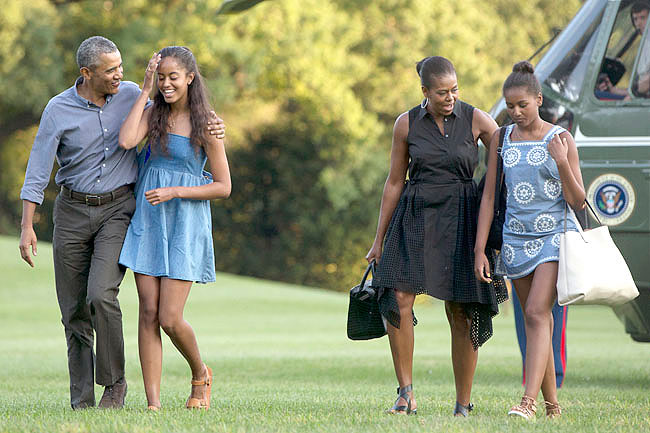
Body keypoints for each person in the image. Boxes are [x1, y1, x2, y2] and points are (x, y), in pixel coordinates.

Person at [18, 36, 225, 410]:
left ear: (191, 77)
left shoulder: (157, 103)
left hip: (141, 213)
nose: (120, 75)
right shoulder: (76, 107)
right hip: (100, 213)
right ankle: (115, 402)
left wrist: (178, 187)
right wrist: (27, 224)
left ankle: (152, 381)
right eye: (110, 70)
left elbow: (220, 179)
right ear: (87, 73)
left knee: (129, 303)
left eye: (120, 67)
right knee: (99, 310)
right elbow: (44, 166)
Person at [366, 56, 507, 417]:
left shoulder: (478, 119)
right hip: (415, 215)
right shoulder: (406, 124)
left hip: (462, 217)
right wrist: (379, 239)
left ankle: (463, 404)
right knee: (398, 297)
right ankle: (406, 394)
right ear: (424, 91)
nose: (450, 97)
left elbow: (508, 155)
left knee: (462, 310)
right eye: (442, 92)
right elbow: (395, 181)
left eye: (455, 90)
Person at [117, 46, 231, 411]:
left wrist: (177, 191)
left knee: (169, 317)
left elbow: (224, 186)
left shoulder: (207, 123)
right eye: (161, 77)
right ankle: (153, 404)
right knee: (147, 312)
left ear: (190, 78)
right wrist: (146, 88)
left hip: (184, 222)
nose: (167, 84)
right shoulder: (153, 113)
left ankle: (201, 373)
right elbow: (126, 140)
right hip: (149, 218)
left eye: (173, 77)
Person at [475, 61, 586, 420]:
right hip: (514, 240)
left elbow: (579, 200)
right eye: (510, 106)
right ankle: (553, 406)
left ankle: (528, 402)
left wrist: (562, 163)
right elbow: (490, 197)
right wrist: (481, 249)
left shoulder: (561, 139)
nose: (516, 112)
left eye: (523, 104)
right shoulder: (501, 139)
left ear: (539, 99)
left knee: (539, 313)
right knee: (536, 320)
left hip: (554, 237)